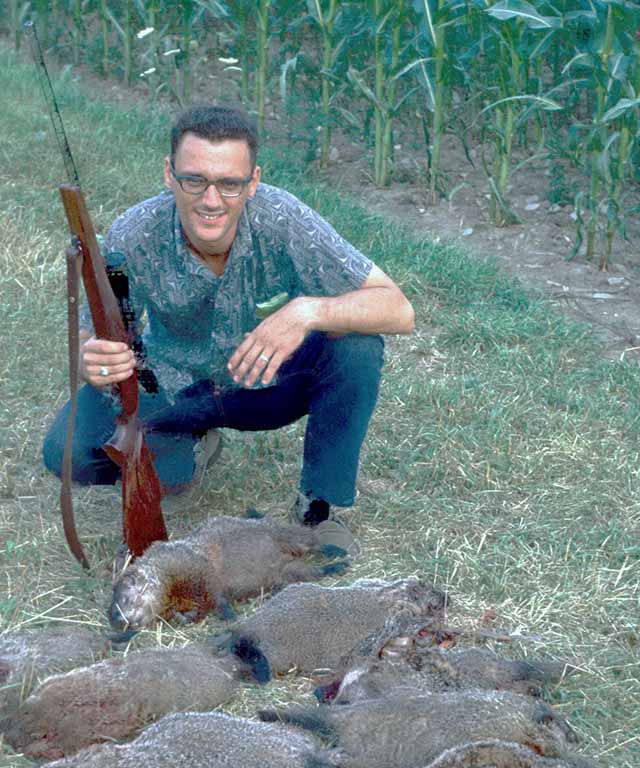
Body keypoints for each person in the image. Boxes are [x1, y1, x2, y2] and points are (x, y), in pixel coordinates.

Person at [43, 105, 414, 543]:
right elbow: (99, 329)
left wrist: (304, 312)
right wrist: (94, 358)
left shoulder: (283, 217)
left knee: (357, 348)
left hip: (266, 386)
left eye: (230, 183)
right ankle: (186, 451)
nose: (211, 200)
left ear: (253, 181)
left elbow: (397, 308)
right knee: (67, 455)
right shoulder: (135, 231)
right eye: (194, 180)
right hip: (174, 387)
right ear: (169, 174)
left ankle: (320, 506)